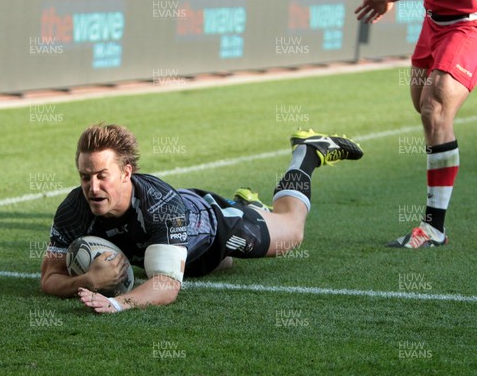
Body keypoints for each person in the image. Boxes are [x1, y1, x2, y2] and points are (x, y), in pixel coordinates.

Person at [40, 124, 363, 313]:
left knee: (291, 231)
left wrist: (118, 304)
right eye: (85, 177)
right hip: (179, 248)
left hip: (215, 225)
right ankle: (245, 203)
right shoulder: (73, 209)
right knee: (215, 267)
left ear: (127, 172)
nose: (92, 187)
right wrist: (87, 282)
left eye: (101, 176)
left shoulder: (159, 205)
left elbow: (166, 286)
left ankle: (306, 153)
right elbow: (48, 278)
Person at [355, 0, 476, 248]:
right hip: (433, 22)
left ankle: (434, 228)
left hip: (468, 25)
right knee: (423, 105)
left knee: (434, 110)